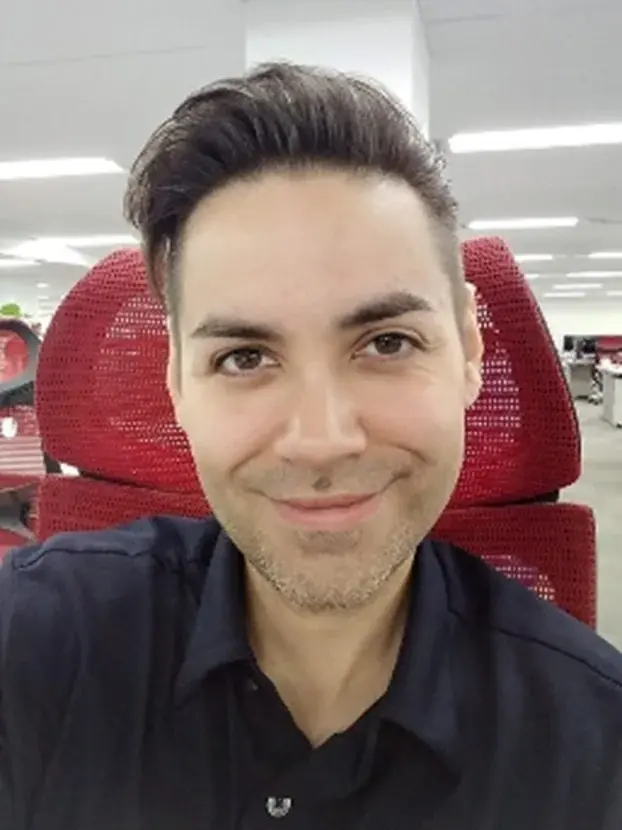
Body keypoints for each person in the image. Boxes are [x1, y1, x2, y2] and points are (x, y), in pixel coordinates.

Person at [1, 63, 621, 830]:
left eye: (387, 342)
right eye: (244, 358)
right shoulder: (32, 639)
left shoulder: (596, 747)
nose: (321, 442)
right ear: (177, 382)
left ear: (468, 350)